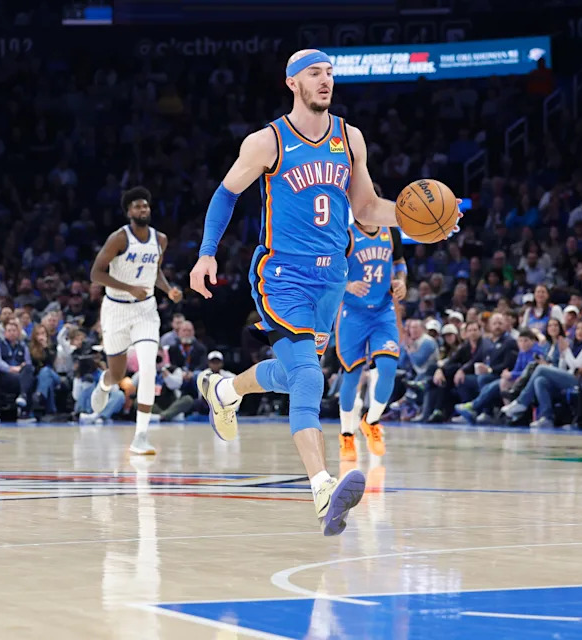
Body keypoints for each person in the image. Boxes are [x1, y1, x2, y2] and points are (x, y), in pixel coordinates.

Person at [188, 49, 461, 536]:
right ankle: (322, 488)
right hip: (282, 276)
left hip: (333, 277)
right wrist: (207, 253)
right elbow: (226, 193)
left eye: (330, 73)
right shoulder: (267, 141)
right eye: (314, 73)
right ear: (292, 82)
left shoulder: (349, 137)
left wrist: (422, 223)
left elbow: (368, 209)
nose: (325, 80)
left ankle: (224, 390)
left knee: (295, 375)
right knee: (310, 379)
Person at [88, 187, 184, 455]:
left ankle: (141, 436)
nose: (143, 210)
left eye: (146, 206)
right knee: (117, 374)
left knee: (149, 367)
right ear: (128, 212)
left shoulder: (160, 239)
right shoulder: (119, 238)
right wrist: (129, 288)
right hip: (116, 309)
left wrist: (169, 290)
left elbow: (155, 272)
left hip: (145, 310)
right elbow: (96, 273)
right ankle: (104, 384)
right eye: (137, 206)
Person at [335, 220, 406, 462]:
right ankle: (346, 434)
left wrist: (401, 281)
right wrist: (347, 285)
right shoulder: (346, 235)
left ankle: (371, 421)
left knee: (387, 368)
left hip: (383, 312)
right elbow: (329, 270)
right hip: (353, 314)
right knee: (352, 376)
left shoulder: (391, 232)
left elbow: (399, 262)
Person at [503, 320, 582, 428]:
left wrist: (566, 351)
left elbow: (576, 368)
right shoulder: (571, 344)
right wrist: (563, 355)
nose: (580, 331)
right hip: (567, 376)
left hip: (579, 380)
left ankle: (522, 402)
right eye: (578, 329)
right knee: (540, 381)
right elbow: (563, 366)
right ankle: (547, 418)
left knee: (541, 368)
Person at [0, 319, 37, 423]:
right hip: (5, 375)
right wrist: (10, 368)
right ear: (5, 333)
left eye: (14, 330)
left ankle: (23, 401)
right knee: (27, 380)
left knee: (28, 370)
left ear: (18, 333)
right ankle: (24, 404)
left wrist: (22, 367)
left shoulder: (23, 346)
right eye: (9, 330)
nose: (12, 333)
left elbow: (27, 362)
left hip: (20, 374)